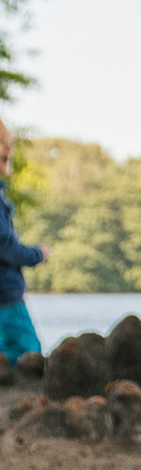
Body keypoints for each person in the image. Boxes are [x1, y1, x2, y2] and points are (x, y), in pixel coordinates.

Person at [0, 118, 47, 365]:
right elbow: (5, 246)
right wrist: (38, 254)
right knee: (30, 358)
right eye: (4, 158)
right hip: (6, 297)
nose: (5, 169)